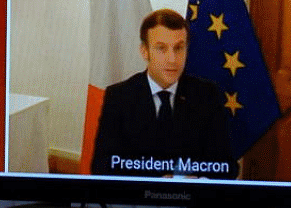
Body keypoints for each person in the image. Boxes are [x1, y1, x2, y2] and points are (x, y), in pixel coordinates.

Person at [91, 9, 236, 178]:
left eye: (179, 48)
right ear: (145, 51)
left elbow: (227, 166)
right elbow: (102, 166)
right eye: (161, 48)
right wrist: (155, 182)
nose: (172, 59)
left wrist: (198, 181)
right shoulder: (119, 97)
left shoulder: (207, 95)